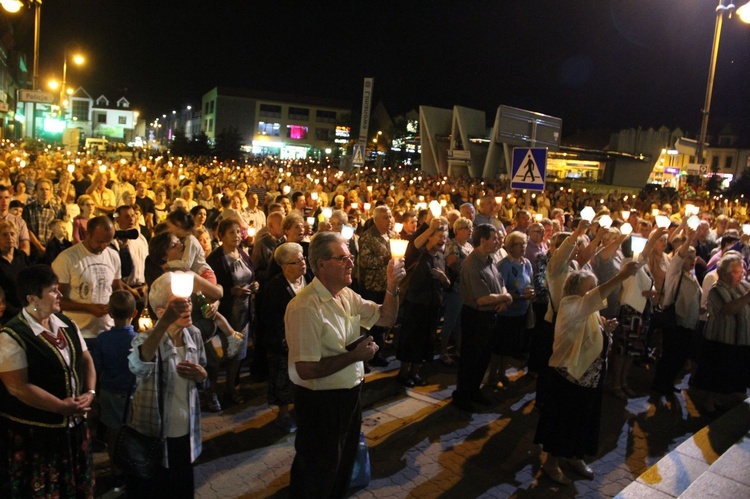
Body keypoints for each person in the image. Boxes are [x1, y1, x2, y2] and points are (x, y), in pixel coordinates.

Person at [285, 231, 404, 498]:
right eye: (343, 258)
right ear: (321, 265)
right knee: (317, 471)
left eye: (351, 257)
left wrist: (392, 285)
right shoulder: (305, 307)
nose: (351, 263)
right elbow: (305, 368)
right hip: (320, 402)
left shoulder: (346, 295)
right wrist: (355, 356)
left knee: (342, 466)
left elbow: (386, 317)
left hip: (348, 396)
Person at [534, 261, 638, 485]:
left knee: (583, 420)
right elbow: (595, 299)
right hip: (571, 376)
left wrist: (605, 329)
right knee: (564, 421)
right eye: (589, 287)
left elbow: (591, 331)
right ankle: (551, 463)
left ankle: (574, 456)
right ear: (576, 288)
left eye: (594, 286)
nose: (593, 291)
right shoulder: (571, 304)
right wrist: (621, 276)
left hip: (590, 377)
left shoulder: (587, 307)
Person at [0, 264, 97, 498]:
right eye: (53, 290)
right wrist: (60, 407)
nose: (60, 294)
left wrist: (90, 392)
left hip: (72, 428)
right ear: (32, 298)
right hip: (38, 434)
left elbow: (86, 360)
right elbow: (18, 387)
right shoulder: (11, 336)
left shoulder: (65, 324)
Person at [125, 272, 207, 498]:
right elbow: (138, 365)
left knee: (183, 488)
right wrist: (164, 323)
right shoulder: (148, 339)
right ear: (161, 312)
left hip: (186, 428)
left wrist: (202, 375)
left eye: (187, 300)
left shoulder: (194, 334)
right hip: (155, 434)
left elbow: (203, 377)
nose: (187, 306)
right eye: (178, 303)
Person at [452, 224, 513, 412]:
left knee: (483, 357)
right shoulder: (472, 263)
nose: (498, 242)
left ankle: (474, 390)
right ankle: (462, 395)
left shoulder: (489, 260)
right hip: (475, 317)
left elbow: (500, 284)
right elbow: (481, 299)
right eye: (494, 238)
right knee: (471, 357)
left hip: (489, 316)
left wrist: (503, 299)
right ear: (483, 240)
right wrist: (507, 298)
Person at [206, 218, 259, 405]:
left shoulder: (243, 254)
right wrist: (231, 292)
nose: (236, 236)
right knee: (217, 356)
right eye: (231, 232)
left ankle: (231, 388)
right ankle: (212, 392)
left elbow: (251, 274)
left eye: (238, 232)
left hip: (243, 314)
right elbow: (211, 288)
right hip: (225, 314)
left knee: (237, 354)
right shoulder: (215, 259)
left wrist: (254, 285)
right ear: (221, 236)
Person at [690, 251, 750, 413]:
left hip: (741, 340)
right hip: (721, 340)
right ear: (723, 274)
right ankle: (709, 403)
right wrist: (747, 298)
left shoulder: (744, 285)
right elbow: (728, 309)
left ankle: (730, 396)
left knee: (734, 373)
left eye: (741, 271)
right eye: (735, 272)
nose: (740, 275)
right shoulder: (717, 289)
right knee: (717, 375)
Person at [52, 216, 123, 350]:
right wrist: (88, 308)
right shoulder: (67, 258)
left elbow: (117, 288)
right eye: (99, 241)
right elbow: (57, 300)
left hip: (108, 330)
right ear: (87, 234)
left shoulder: (113, 256)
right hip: (79, 333)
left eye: (107, 242)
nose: (103, 246)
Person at [396, 221, 450, 386]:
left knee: (427, 340)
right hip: (415, 304)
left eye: (445, 238)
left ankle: (415, 372)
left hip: (433, 305)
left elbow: (447, 283)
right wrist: (432, 226)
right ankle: (404, 373)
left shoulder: (441, 257)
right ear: (429, 237)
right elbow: (414, 243)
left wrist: (443, 278)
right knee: (411, 339)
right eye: (439, 236)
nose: (442, 240)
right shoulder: (418, 253)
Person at [261, 242, 308, 432]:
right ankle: (283, 414)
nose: (303, 263)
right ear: (285, 266)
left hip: (307, 336)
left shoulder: (309, 278)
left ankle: (302, 408)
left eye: (303, 258)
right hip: (284, 341)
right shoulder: (275, 287)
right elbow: (270, 318)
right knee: (284, 379)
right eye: (297, 261)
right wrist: (283, 340)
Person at [651, 226, 702, 397]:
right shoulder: (675, 272)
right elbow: (679, 256)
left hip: (688, 323)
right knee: (670, 355)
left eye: (694, 257)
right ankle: (660, 384)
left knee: (680, 356)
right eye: (688, 257)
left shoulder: (691, 275)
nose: (692, 260)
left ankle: (669, 382)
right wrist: (689, 240)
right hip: (675, 321)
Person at [97, 290, 138, 492]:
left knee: (113, 434)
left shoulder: (103, 339)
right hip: (133, 394)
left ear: (110, 313)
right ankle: (133, 466)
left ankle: (116, 470)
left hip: (109, 392)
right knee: (132, 433)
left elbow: (97, 368)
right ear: (135, 312)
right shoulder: (138, 340)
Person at [488, 231, 535, 387]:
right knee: (499, 346)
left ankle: (502, 374)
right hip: (506, 313)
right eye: (518, 244)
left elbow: (530, 282)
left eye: (524, 244)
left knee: (510, 347)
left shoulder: (526, 263)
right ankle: (492, 376)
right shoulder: (504, 265)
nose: (522, 247)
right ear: (509, 246)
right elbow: (500, 289)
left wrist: (530, 293)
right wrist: (521, 295)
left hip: (521, 312)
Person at [357, 205, 396, 367]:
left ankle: (378, 351)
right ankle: (366, 356)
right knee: (370, 323)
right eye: (385, 217)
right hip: (372, 286)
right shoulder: (367, 238)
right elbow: (365, 261)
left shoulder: (392, 236)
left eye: (390, 217)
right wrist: (386, 259)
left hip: (386, 286)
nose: (389, 220)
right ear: (375, 219)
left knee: (383, 323)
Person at [440, 217, 473, 366]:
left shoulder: (469, 246)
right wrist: (469, 269)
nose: (470, 231)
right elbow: (453, 263)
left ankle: (459, 350)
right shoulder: (452, 245)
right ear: (458, 230)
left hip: (466, 289)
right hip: (455, 288)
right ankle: (443, 352)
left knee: (461, 321)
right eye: (466, 228)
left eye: (470, 228)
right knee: (450, 321)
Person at [22, 179, 66, 262]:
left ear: (51, 191)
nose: (44, 192)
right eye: (41, 189)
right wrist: (39, 247)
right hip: (33, 249)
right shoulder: (28, 208)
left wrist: (48, 246)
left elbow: (58, 229)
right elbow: (27, 229)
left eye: (47, 189)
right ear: (36, 191)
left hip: (52, 249)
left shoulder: (57, 209)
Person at [0, 220, 30, 317]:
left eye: (12, 234)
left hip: (26, 307)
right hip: (6, 310)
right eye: (5, 235)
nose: (10, 238)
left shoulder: (21, 256)